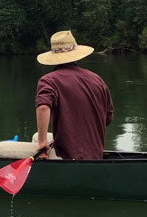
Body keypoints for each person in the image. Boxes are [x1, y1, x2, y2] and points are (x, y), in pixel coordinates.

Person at [35, 30, 113, 160]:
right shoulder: (97, 79)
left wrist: (42, 143)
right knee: (35, 136)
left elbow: (43, 107)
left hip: (66, 157)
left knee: (2, 149)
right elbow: (108, 119)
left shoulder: (49, 80)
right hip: (96, 154)